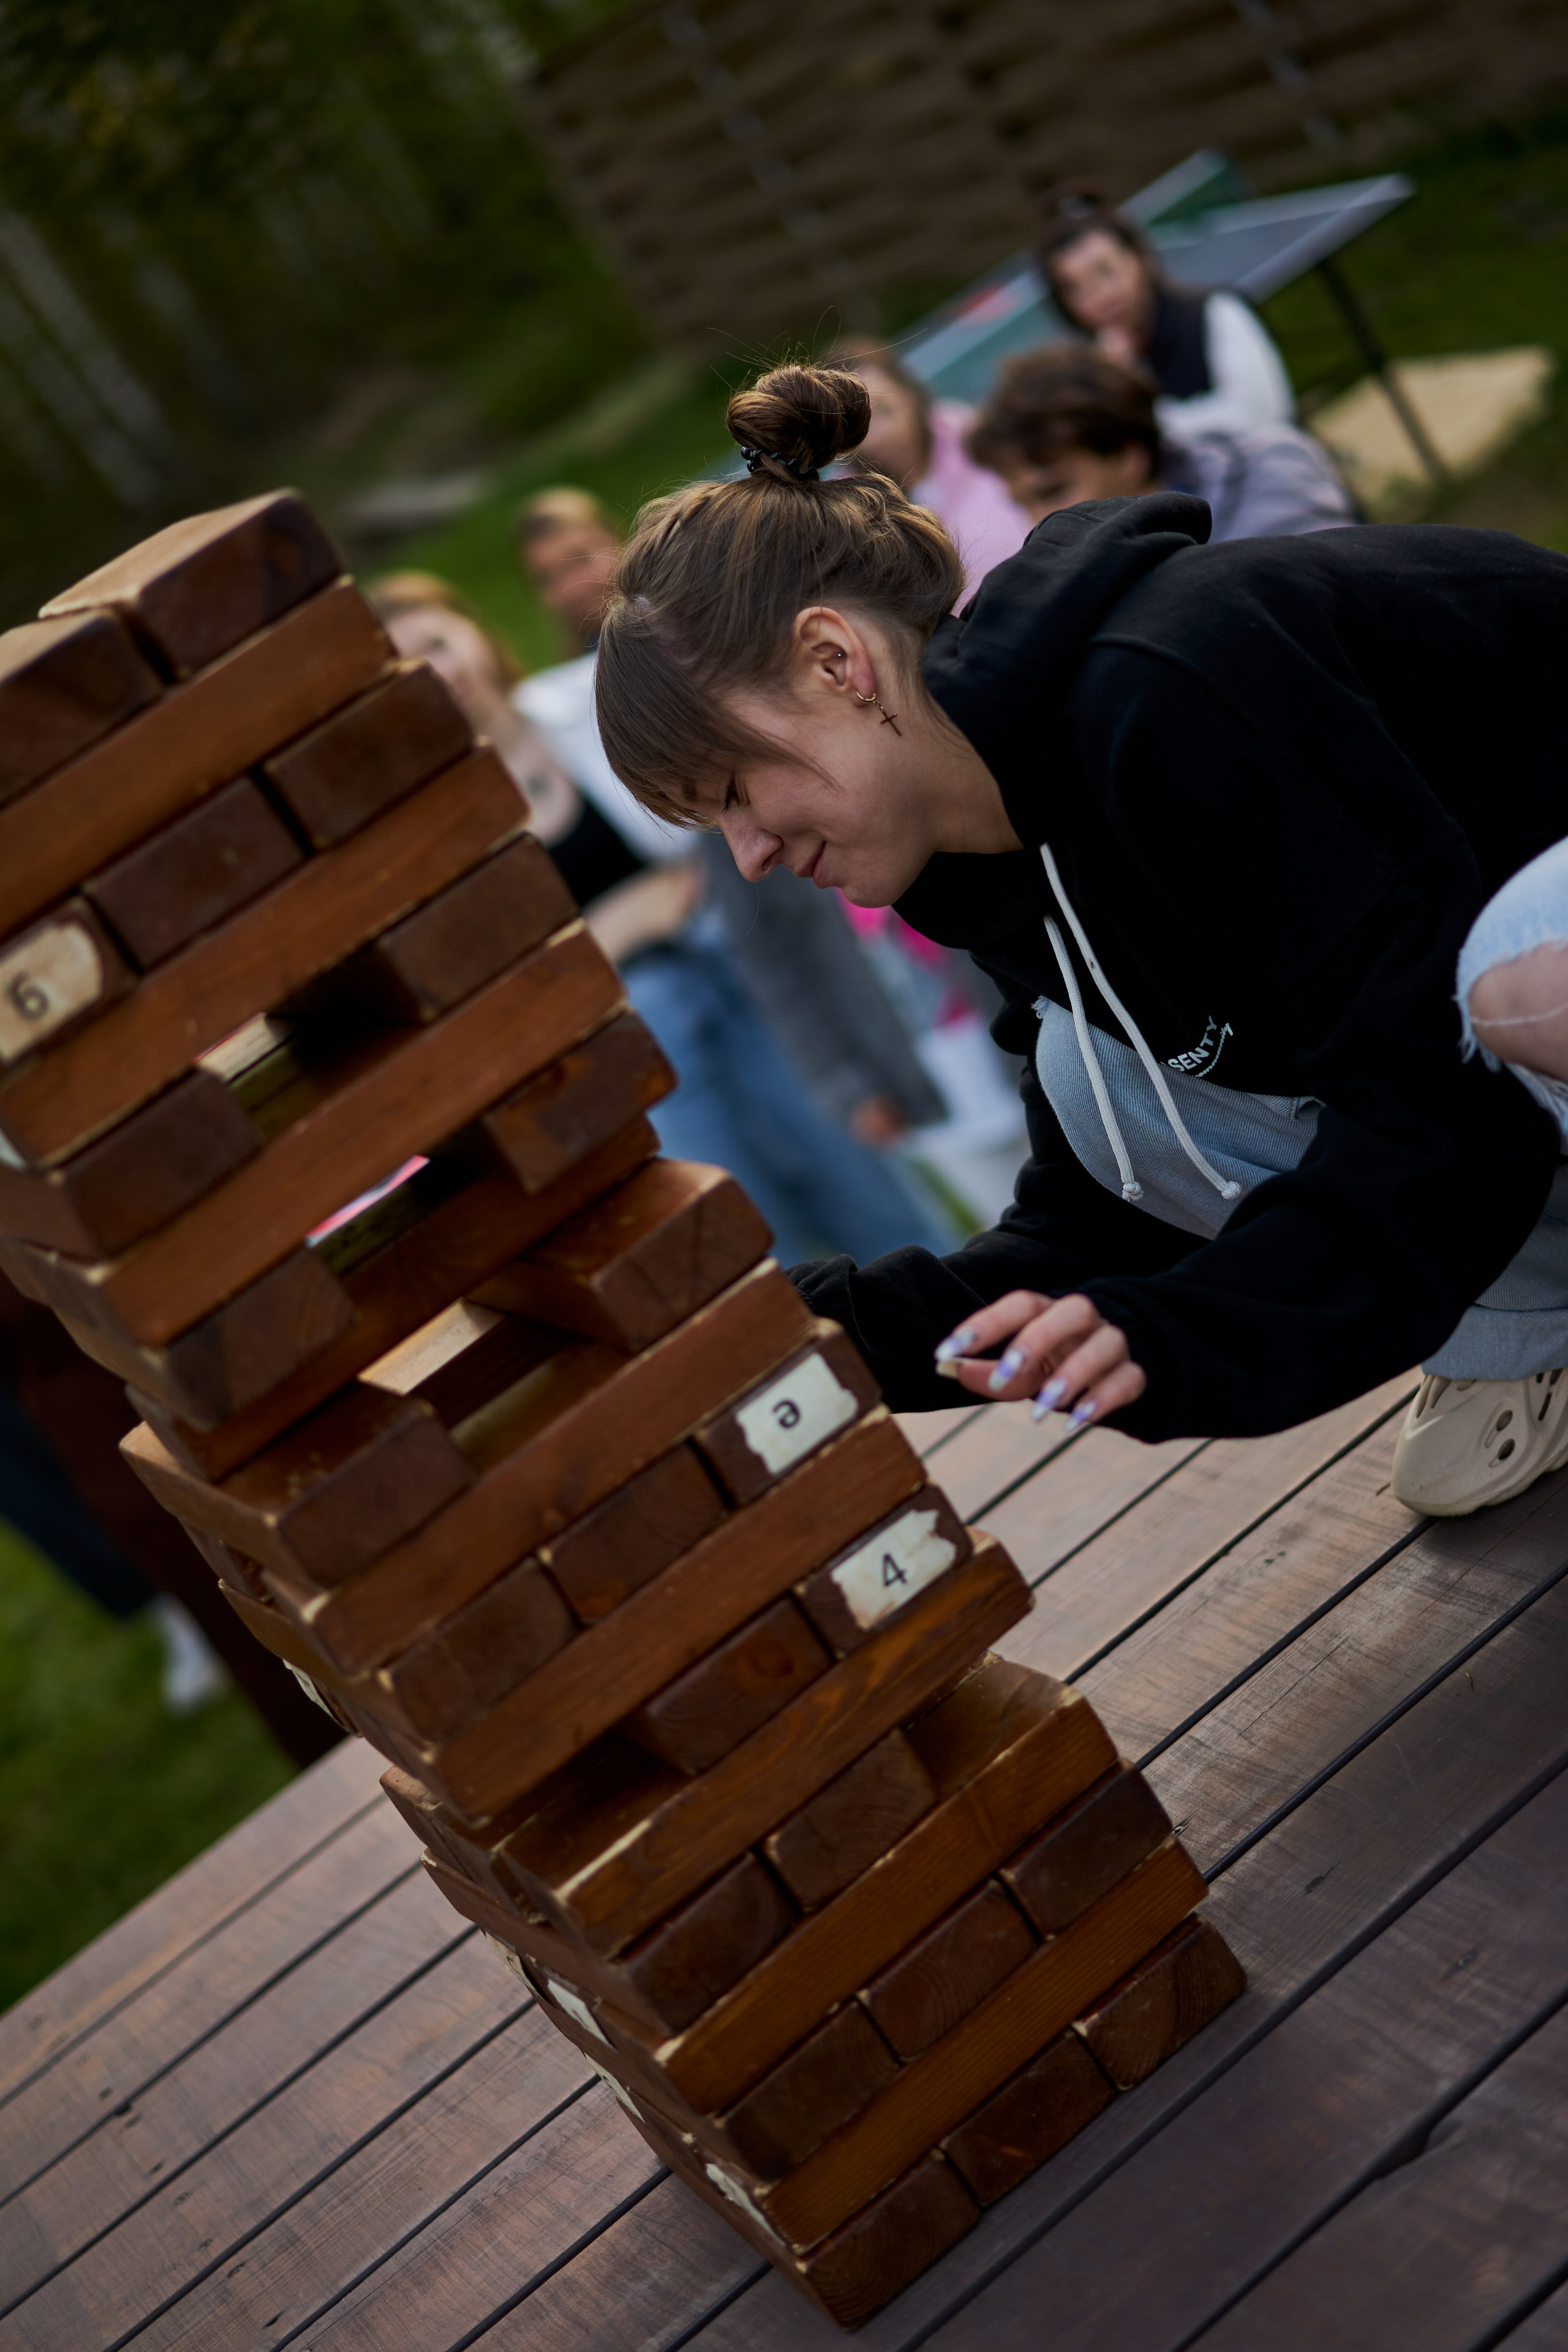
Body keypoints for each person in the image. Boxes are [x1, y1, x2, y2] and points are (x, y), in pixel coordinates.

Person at [592, 360, 1568, 1522]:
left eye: (735, 791)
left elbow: (1433, 1089)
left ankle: (1528, 1313)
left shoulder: (1175, 684)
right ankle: (1537, 1323)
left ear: (836, 661)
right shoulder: (983, 861)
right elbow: (1098, 1220)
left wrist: (1198, 1332)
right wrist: (797, 1333)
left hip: (1530, 983)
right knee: (1094, 1075)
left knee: (1505, 984)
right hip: (1496, 1079)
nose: (748, 856)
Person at [372, 571, 953, 1267]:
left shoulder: (593, 704)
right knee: (750, 1243)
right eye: (411, 666)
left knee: (874, 1200)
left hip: (747, 986)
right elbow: (501, 987)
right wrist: (617, 927)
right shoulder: (440, 828)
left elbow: (720, 853)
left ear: (474, 630)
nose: (441, 671)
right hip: (636, 1046)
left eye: (439, 643)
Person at [968, 344, 1355, 541]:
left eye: (1053, 491)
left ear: (1126, 455)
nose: (1039, 525)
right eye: (1022, 504)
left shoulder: (1274, 479)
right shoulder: (1087, 571)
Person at [1037, 186, 1294, 439]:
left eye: (1106, 271)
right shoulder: (1087, 375)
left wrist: (1150, 418)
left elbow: (1263, 415)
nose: (1101, 297)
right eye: (1075, 289)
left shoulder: (1215, 311)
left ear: (1140, 259)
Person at [830, 341, 1031, 598]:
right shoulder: (850, 512)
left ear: (909, 394)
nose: (880, 434)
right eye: (859, 424)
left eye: (886, 410)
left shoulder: (974, 438)